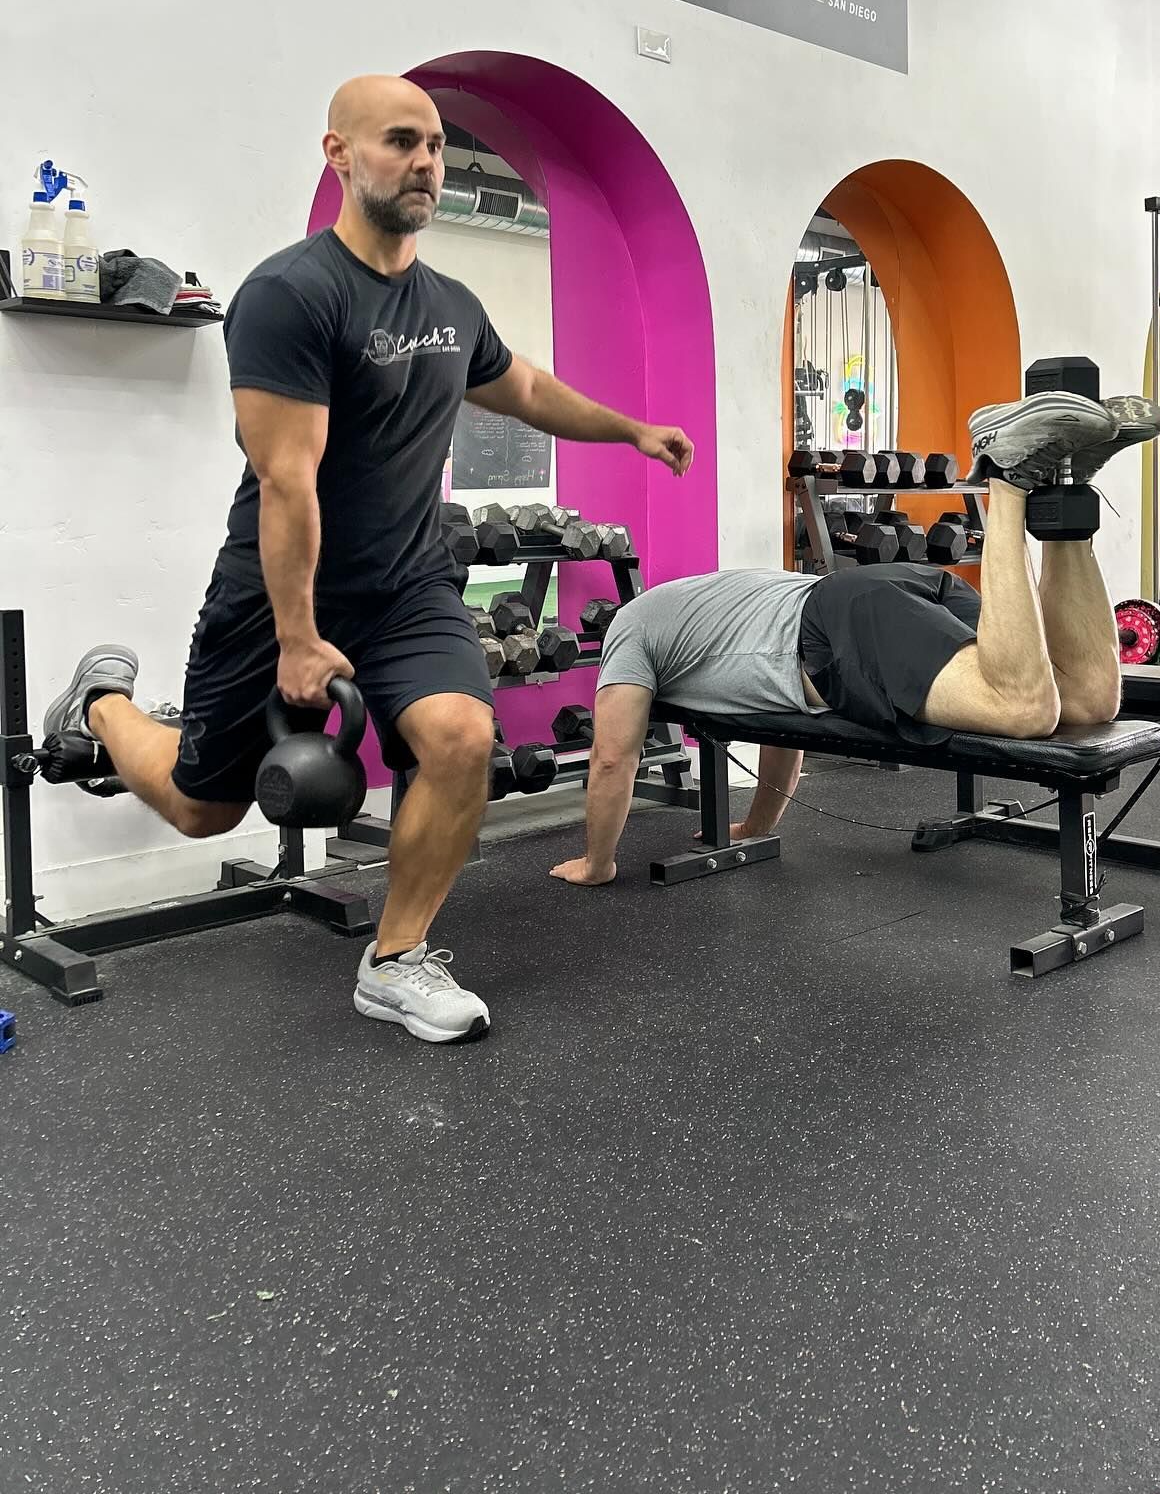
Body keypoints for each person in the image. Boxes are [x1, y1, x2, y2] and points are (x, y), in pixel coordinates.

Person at [44, 75, 694, 1044]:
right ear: (339, 155)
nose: (425, 161)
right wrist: (299, 638)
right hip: (277, 596)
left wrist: (630, 430)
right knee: (200, 808)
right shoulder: (290, 296)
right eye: (401, 141)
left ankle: (395, 959)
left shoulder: (450, 305)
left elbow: (523, 387)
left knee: (463, 739)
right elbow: (287, 482)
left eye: (435, 145)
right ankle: (100, 704)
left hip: (409, 586)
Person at [550, 388, 1160, 887]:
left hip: (834, 629)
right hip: (871, 592)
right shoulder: (693, 602)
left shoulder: (627, 632)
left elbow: (611, 757)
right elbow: (777, 722)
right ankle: (1065, 480)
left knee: (1024, 708)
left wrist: (597, 863)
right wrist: (758, 826)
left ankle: (1003, 478)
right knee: (1086, 702)